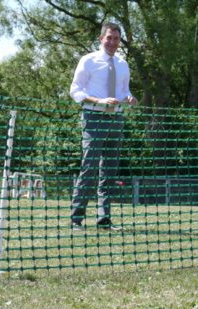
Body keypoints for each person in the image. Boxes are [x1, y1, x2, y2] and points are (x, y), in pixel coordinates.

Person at [69, 22, 138, 230]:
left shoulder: (123, 64)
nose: (112, 42)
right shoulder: (88, 60)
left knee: (109, 171)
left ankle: (104, 220)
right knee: (89, 168)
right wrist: (99, 101)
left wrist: (130, 98)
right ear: (101, 39)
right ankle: (76, 219)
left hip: (116, 119)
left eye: (116, 39)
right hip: (93, 117)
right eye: (109, 38)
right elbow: (75, 90)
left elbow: (125, 91)